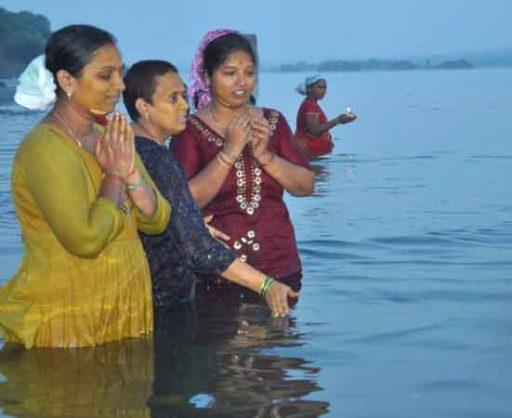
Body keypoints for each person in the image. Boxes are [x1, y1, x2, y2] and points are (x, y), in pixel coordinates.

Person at [0, 25, 171, 348]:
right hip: (66, 321)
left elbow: (157, 217)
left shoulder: (110, 134)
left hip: (124, 310)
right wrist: (115, 176)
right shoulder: (44, 148)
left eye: (120, 73)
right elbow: (86, 239)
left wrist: (130, 174)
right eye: (106, 76)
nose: (120, 86)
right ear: (67, 81)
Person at [123, 60, 299, 318]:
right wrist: (266, 285)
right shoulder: (157, 158)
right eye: (174, 98)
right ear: (143, 107)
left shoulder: (130, 147)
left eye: (184, 95)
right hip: (163, 299)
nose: (185, 105)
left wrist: (189, 222)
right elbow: (198, 248)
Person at [171, 30, 314, 297]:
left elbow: (306, 186)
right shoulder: (190, 130)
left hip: (281, 262)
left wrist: (266, 157)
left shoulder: (273, 121)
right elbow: (183, 203)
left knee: (279, 338)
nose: (242, 82)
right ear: (207, 75)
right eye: (230, 73)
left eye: (249, 73)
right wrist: (229, 152)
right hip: (221, 269)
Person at [294, 75, 357, 158]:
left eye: (325, 87)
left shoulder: (312, 104)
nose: (323, 91)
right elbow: (315, 130)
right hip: (308, 151)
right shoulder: (310, 105)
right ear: (309, 89)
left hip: (313, 152)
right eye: (320, 87)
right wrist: (338, 120)